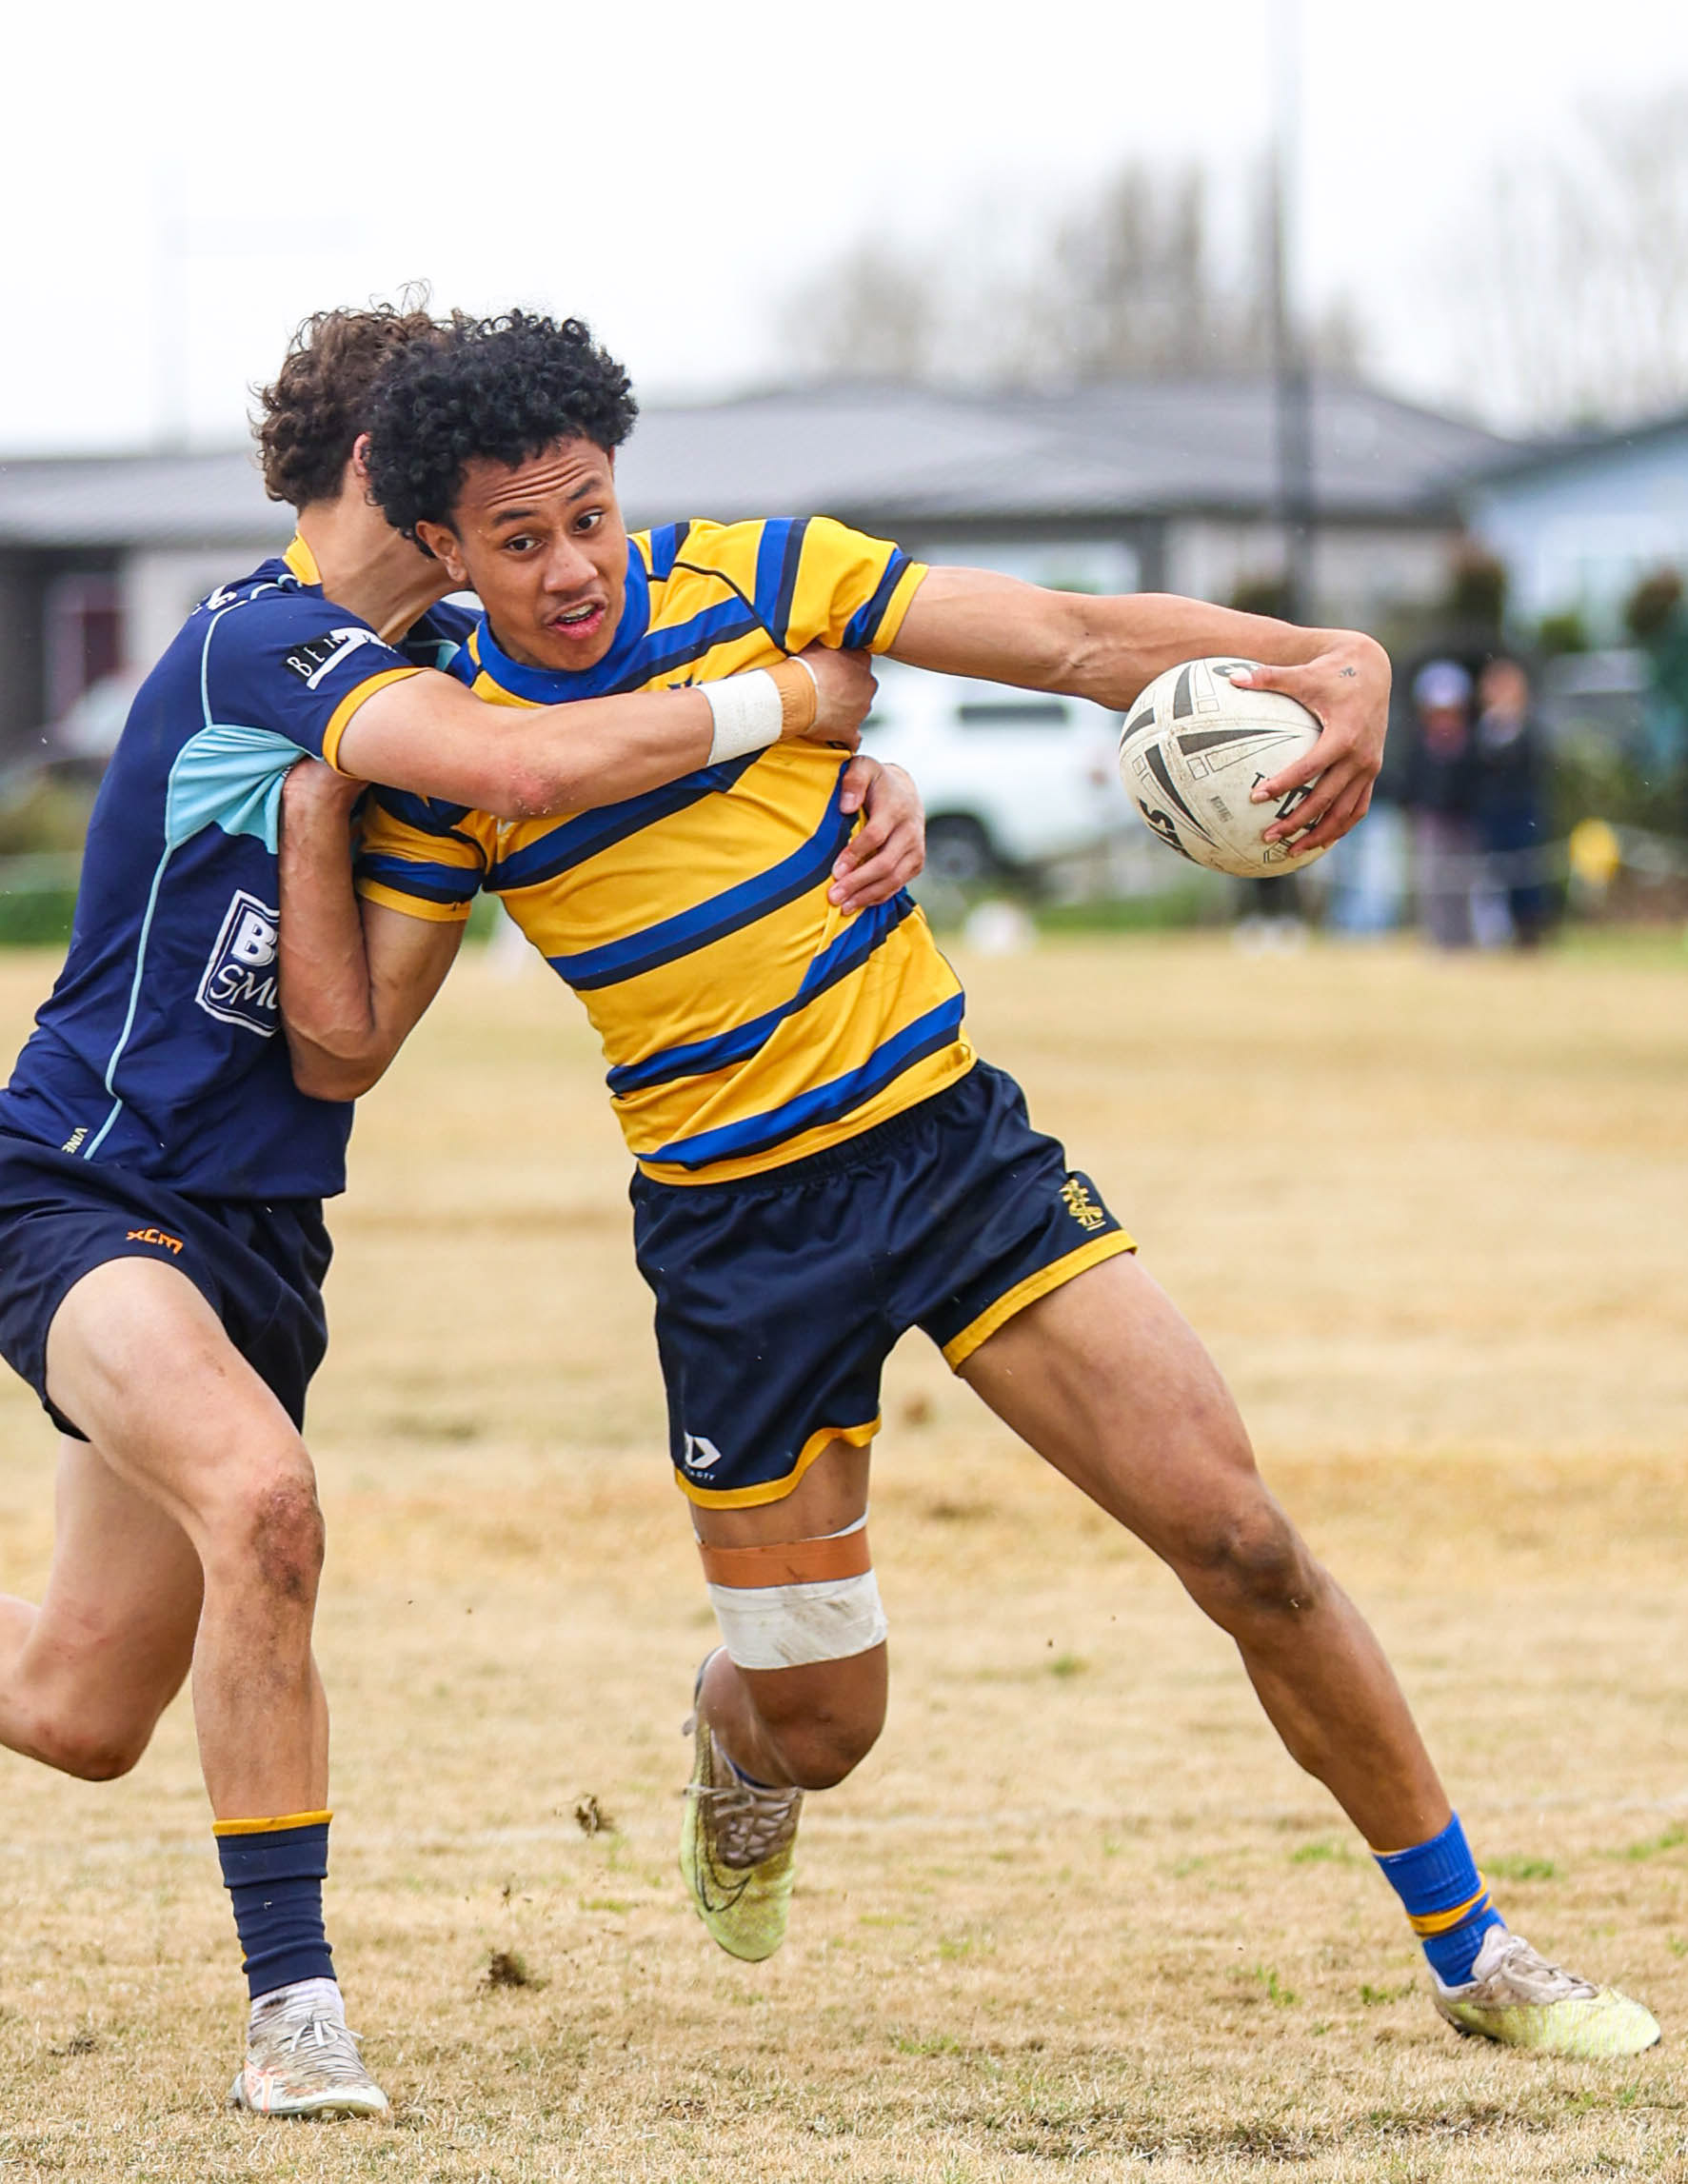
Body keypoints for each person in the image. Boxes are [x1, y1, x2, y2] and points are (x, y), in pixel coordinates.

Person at [281, 309, 1657, 2061]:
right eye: (519, 536)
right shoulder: (448, 748)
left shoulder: (767, 574)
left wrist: (1332, 655)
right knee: (823, 1721)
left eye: (590, 514)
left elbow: (1076, 638)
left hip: (949, 1151)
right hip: (737, 1235)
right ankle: (734, 1737)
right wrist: (317, 800)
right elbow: (349, 1046)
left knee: (1242, 1539)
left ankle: (1476, 1948)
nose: (571, 566)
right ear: (445, 545)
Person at [0, 304, 883, 2121]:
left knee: (80, 1705)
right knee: (264, 1498)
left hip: (263, 1231)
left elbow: (616, 735)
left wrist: (863, 782)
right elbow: (527, 770)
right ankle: (295, 2010)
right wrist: (800, 699)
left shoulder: (448, 652)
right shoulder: (265, 638)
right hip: (89, 1178)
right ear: (380, 470)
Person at [1472, 656, 1554, 947]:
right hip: (1491, 816)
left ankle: (1530, 933)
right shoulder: (1482, 730)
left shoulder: (1528, 728)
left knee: (1525, 877)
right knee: (1492, 879)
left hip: (1521, 814)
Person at [1402, 660, 1480, 947]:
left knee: (1464, 883)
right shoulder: (1419, 745)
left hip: (1464, 822)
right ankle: (1437, 939)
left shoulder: (1472, 745)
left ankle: (1464, 940)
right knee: (1432, 883)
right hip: (1430, 822)